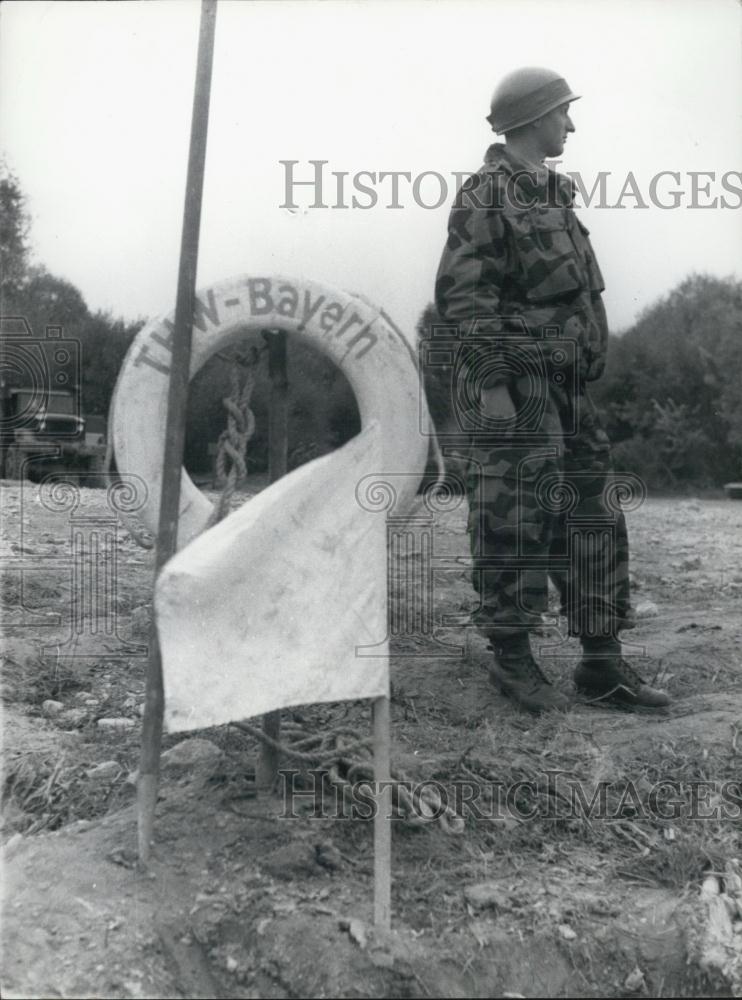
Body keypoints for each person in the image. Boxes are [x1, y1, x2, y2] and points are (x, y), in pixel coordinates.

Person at [434, 67, 669, 714]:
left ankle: (601, 663)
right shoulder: (487, 194)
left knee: (593, 516)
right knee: (515, 519)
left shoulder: (553, 194)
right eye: (563, 112)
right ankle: (511, 659)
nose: (571, 123)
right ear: (535, 116)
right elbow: (464, 295)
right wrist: (494, 385)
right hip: (519, 388)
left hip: (569, 389)